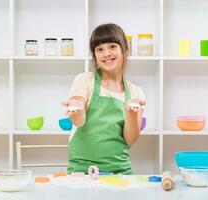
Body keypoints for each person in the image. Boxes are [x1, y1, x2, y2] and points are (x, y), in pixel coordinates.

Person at [62, 23, 146, 175]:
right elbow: (79, 121)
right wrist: (76, 108)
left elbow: (130, 139)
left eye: (112, 46)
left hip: (120, 172)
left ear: (125, 50)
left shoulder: (135, 92)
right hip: (82, 172)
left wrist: (132, 112)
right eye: (99, 49)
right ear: (95, 55)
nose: (106, 53)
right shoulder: (85, 80)